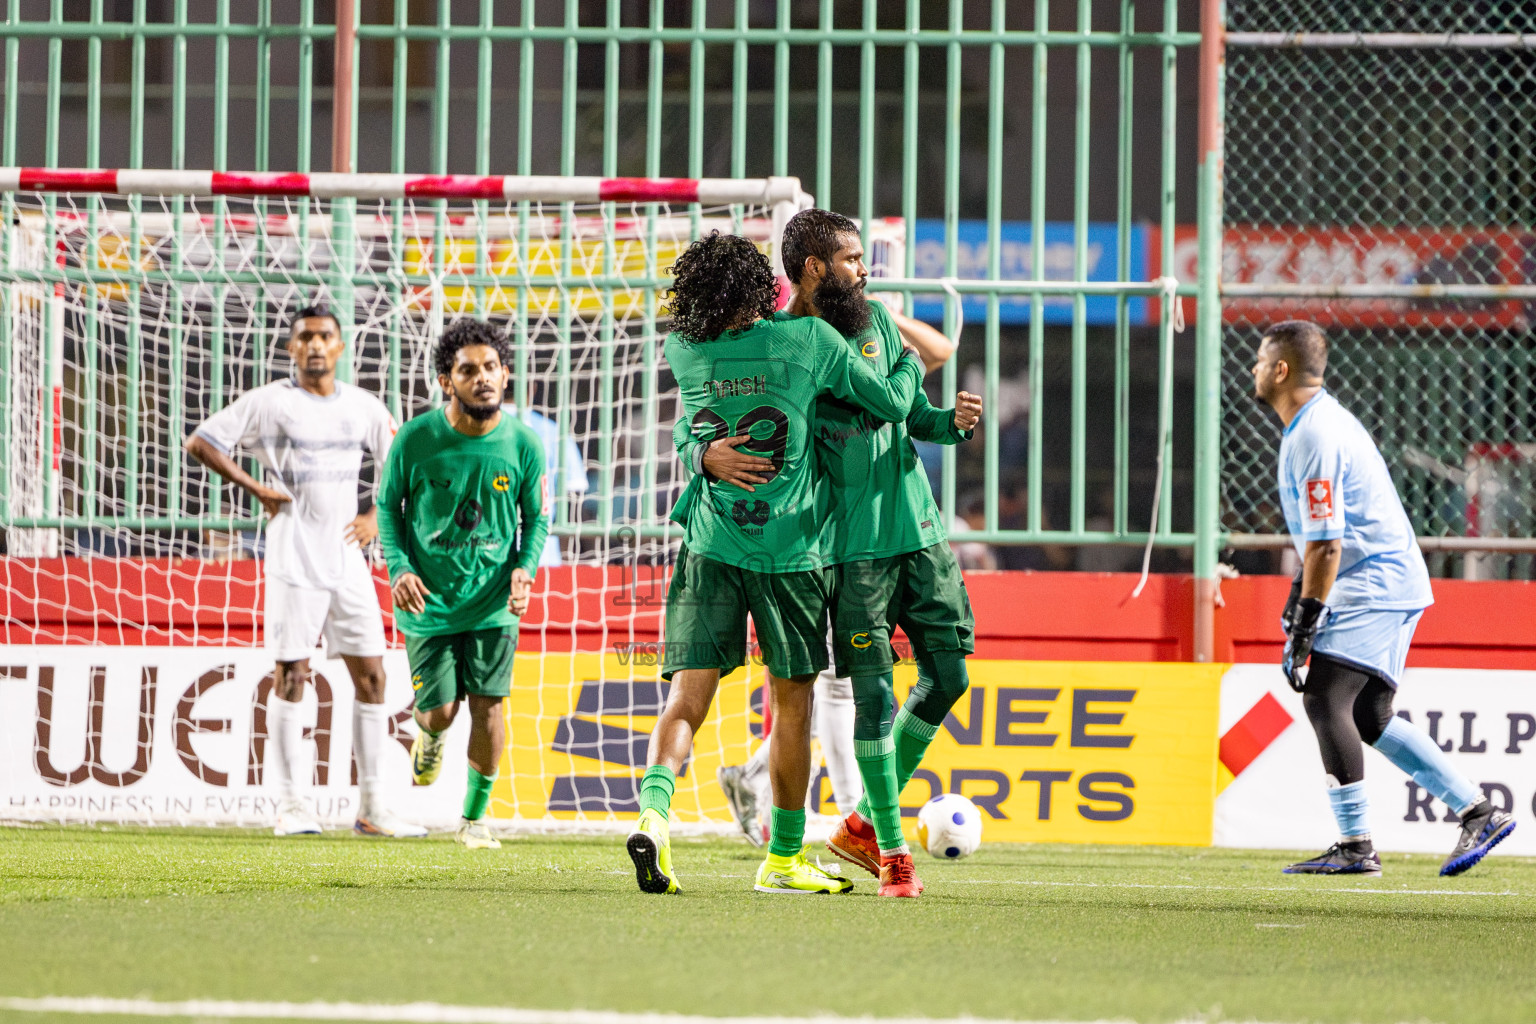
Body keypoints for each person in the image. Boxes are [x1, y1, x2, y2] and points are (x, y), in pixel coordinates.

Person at [629, 231, 924, 896]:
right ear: (766, 288)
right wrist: (905, 361)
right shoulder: (810, 342)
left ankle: (655, 816)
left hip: (711, 543)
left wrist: (701, 457)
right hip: (791, 554)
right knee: (793, 708)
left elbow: (688, 430)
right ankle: (784, 859)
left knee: (685, 701)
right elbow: (890, 403)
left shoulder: (686, 349)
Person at [712, 225, 975, 860]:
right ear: (812, 267)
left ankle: (857, 821)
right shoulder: (782, 345)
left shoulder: (875, 320)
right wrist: (704, 452)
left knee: (949, 677)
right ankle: (879, 839)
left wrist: (951, 426)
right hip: (847, 549)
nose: (864, 268)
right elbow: (889, 397)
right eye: (852, 258)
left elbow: (909, 416)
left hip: (920, 528)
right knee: (868, 694)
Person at [1253, 320, 1515, 877]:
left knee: (1325, 698)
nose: (1252, 370)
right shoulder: (1314, 425)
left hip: (1373, 583)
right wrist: (1302, 592)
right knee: (1369, 714)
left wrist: (1305, 625)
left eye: (1258, 361)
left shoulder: (1313, 434)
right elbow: (1320, 536)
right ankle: (1478, 810)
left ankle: (1356, 846)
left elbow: (1327, 541)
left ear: (1281, 370)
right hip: (1383, 581)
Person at [186, 304, 425, 839]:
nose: (315, 345)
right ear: (291, 348)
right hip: (294, 555)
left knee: (373, 676)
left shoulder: (363, 407)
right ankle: (292, 806)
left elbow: (402, 468)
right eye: (305, 338)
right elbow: (200, 440)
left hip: (348, 560)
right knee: (292, 676)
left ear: (340, 347)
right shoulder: (270, 403)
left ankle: (372, 809)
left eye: (324, 337)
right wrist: (256, 488)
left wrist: (371, 516)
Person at [377, 318, 549, 850]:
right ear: (446, 381)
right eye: (468, 370)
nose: (483, 378)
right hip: (427, 599)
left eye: (491, 367)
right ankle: (429, 736)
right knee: (440, 711)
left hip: (495, 600)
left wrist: (526, 568)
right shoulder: (416, 438)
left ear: (505, 374)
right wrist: (399, 568)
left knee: (489, 704)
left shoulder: (523, 443)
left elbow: (537, 520)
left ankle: (473, 820)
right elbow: (386, 508)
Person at [499, 398, 589, 567]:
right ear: (532, 388)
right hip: (542, 555)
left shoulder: (472, 432)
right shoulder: (552, 431)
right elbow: (575, 501)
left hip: (486, 557)